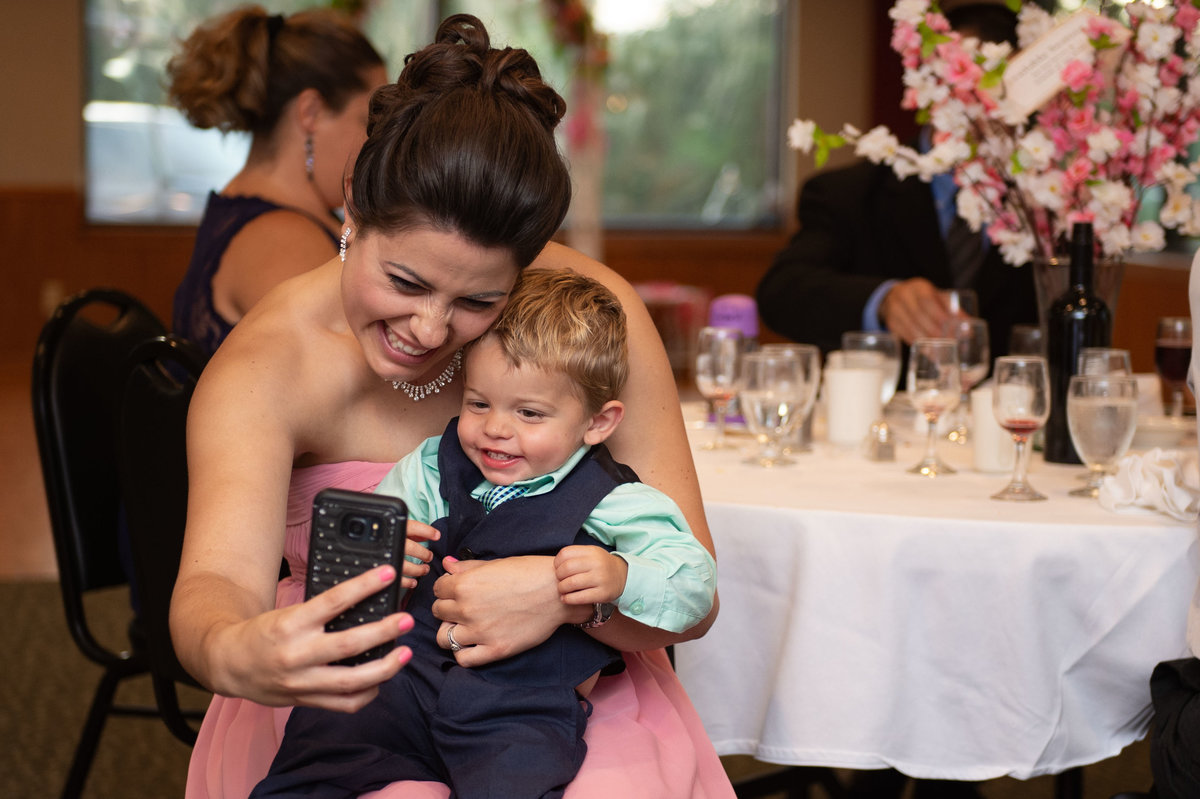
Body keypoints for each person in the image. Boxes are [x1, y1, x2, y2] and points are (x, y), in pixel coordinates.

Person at [170, 13, 729, 799]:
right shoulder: (272, 362)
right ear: (351, 214)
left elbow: (691, 599)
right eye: (404, 282)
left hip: (556, 695)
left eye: (478, 300)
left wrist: (557, 601)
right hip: (353, 694)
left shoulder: (589, 323)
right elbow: (216, 580)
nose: (429, 330)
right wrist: (240, 649)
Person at [254, 268, 717, 798]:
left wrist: (621, 576)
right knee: (325, 741)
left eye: (529, 412)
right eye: (479, 403)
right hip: (405, 674)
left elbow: (693, 583)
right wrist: (382, 553)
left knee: (515, 781)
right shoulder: (431, 466)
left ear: (597, 423)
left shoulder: (617, 501)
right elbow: (367, 535)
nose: (497, 428)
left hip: (520, 702)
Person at [755, 2, 1037, 363]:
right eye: (964, 81)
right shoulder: (850, 194)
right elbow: (782, 292)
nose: (980, 105)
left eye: (999, 91)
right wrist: (884, 299)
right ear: (930, 82)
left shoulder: (1046, 204)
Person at [166, 5, 388, 356]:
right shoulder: (282, 240)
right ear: (310, 112)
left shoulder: (250, 212)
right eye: (368, 120)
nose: (377, 141)